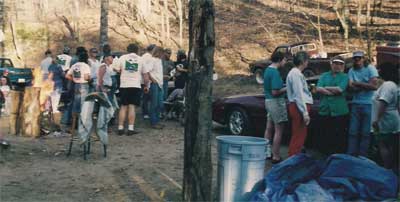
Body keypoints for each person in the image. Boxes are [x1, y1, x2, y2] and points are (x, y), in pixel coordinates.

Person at [347, 51, 378, 157]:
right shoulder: (351, 70)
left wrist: (358, 84)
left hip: (369, 103)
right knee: (353, 132)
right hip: (355, 103)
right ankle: (351, 155)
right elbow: (351, 88)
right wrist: (365, 85)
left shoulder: (370, 68)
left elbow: (374, 86)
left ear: (363, 58)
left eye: (359, 58)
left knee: (366, 133)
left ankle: (362, 156)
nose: (357, 60)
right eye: (355, 58)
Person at [316, 56, 349, 154]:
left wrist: (325, 88)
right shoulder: (324, 75)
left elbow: (340, 89)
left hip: (340, 111)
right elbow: (318, 88)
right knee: (325, 136)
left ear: (343, 66)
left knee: (339, 137)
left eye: (340, 64)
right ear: (331, 64)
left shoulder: (345, 77)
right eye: (335, 63)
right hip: (325, 110)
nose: (337, 66)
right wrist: (331, 91)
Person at [372, 64, 399, 172]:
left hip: (385, 118)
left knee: (383, 144)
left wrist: (376, 119)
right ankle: (390, 167)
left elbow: (383, 102)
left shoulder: (388, 85)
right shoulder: (391, 85)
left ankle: (387, 168)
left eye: (379, 69)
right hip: (389, 117)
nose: (378, 71)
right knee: (389, 144)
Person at [286, 51, 313, 157]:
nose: (308, 63)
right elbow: (298, 94)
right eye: (307, 60)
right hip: (299, 107)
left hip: (297, 106)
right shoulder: (296, 74)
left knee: (299, 134)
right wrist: (305, 113)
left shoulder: (294, 73)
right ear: (303, 61)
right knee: (298, 135)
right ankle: (293, 159)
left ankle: (294, 158)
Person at [113, 43, 144, 135]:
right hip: (135, 85)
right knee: (132, 107)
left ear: (127, 50)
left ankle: (120, 128)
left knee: (123, 106)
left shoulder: (122, 58)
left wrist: (121, 71)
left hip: (124, 85)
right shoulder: (140, 59)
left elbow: (116, 69)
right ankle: (130, 128)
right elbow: (144, 73)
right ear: (137, 50)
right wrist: (146, 85)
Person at [263, 51, 287, 164]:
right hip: (276, 102)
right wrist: (287, 88)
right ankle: (276, 156)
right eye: (284, 60)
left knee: (269, 128)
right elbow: (275, 92)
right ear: (280, 60)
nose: (285, 62)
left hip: (268, 101)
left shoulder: (267, 70)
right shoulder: (275, 73)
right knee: (279, 130)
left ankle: (266, 152)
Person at [143, 46, 164, 129]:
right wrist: (152, 79)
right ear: (158, 52)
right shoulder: (152, 60)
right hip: (154, 84)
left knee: (159, 104)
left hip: (160, 84)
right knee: (154, 104)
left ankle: (157, 121)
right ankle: (153, 122)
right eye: (162, 53)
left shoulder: (159, 61)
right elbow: (146, 70)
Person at [65, 51, 91, 117]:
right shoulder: (86, 66)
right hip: (83, 85)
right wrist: (90, 79)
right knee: (83, 104)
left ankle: (74, 121)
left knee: (76, 103)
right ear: (86, 58)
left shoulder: (75, 65)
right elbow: (86, 77)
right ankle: (81, 121)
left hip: (76, 85)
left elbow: (67, 75)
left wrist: (73, 79)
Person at [141, 44, 156, 119]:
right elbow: (146, 69)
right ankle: (145, 113)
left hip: (146, 79)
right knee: (146, 97)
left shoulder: (145, 56)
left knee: (147, 97)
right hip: (146, 80)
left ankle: (147, 112)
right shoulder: (147, 57)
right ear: (152, 50)